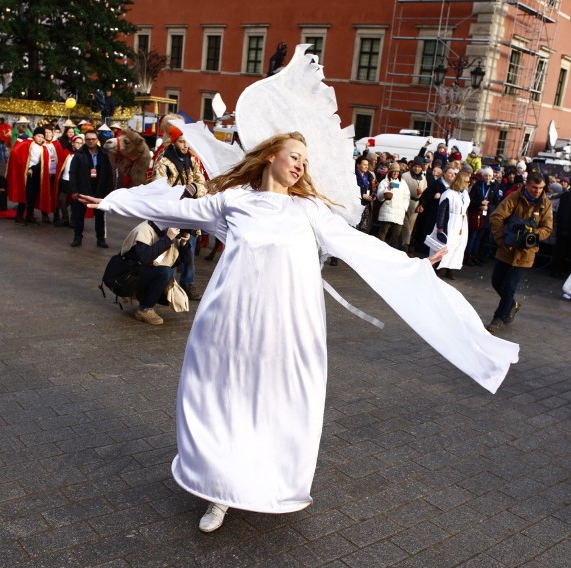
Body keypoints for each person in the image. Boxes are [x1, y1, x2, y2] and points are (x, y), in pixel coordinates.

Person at [80, 131, 518, 533]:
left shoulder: (308, 210)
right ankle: (218, 492)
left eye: (305, 162)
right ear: (272, 155)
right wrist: (113, 202)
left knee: (277, 404)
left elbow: (357, 243)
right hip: (228, 321)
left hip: (285, 327)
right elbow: (177, 209)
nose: (300, 167)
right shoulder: (234, 200)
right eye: (294, 157)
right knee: (218, 399)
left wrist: (411, 264)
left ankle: (264, 481)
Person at [486, 172, 553, 332]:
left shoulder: (545, 204)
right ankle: (512, 304)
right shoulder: (515, 197)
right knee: (497, 281)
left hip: (526, 252)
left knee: (509, 286)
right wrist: (501, 239)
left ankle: (499, 317)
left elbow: (547, 228)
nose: (537, 191)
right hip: (507, 247)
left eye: (541, 188)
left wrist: (532, 234)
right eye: (534, 188)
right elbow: (496, 217)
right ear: (527, 185)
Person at [151, 125, 207, 300]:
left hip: (190, 213)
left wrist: (194, 188)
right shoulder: (163, 162)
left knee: (189, 252)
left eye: (187, 142)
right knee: (170, 251)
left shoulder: (193, 160)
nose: (185, 146)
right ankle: (167, 285)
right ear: (174, 142)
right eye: (182, 142)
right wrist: (180, 192)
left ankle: (187, 283)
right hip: (172, 214)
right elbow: (158, 188)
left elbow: (203, 184)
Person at [119, 221, 191, 325]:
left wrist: (184, 244)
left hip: (148, 272)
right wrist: (167, 239)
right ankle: (145, 309)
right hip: (131, 275)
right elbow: (145, 258)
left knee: (170, 285)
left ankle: (146, 298)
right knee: (165, 272)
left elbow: (186, 261)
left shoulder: (172, 231)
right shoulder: (144, 229)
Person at [69, 131, 113, 248]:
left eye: (93, 139)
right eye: (88, 139)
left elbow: (109, 174)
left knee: (99, 217)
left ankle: (100, 239)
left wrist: (109, 192)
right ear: (85, 141)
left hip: (99, 190)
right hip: (83, 190)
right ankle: (77, 237)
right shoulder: (79, 154)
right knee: (79, 216)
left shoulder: (103, 154)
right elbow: (72, 173)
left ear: (97, 139)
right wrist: (74, 190)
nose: (91, 141)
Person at [426, 170, 471, 280]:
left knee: (457, 246)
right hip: (450, 222)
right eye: (466, 182)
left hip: (461, 223)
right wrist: (440, 226)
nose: (468, 184)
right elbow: (442, 210)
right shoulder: (449, 193)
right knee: (445, 246)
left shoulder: (464, 194)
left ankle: (449, 269)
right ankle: (437, 269)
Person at [375, 162, 410, 247]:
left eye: (397, 172)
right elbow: (379, 196)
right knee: (383, 232)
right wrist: (387, 189)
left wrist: (404, 208)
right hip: (387, 210)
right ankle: (378, 249)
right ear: (390, 172)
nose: (395, 173)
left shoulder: (403, 183)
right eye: (394, 171)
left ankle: (392, 252)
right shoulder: (384, 182)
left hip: (399, 212)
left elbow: (406, 196)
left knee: (396, 236)